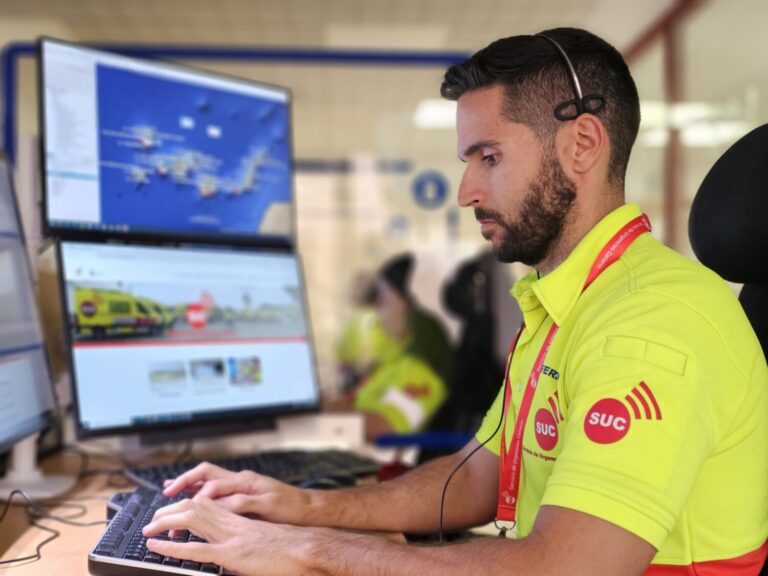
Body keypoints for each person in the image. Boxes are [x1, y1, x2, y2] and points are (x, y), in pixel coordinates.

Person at [143, 27, 768, 575]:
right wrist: (298, 505)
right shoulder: (565, 304)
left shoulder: (653, 324)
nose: (467, 191)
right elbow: (477, 473)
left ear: (582, 145)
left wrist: (310, 550)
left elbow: (562, 571)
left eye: (488, 157)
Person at [328, 252, 453, 442]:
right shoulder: (397, 358)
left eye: (384, 298)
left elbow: (385, 428)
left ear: (412, 308)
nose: (377, 308)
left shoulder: (424, 371)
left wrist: (319, 416)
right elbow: (353, 402)